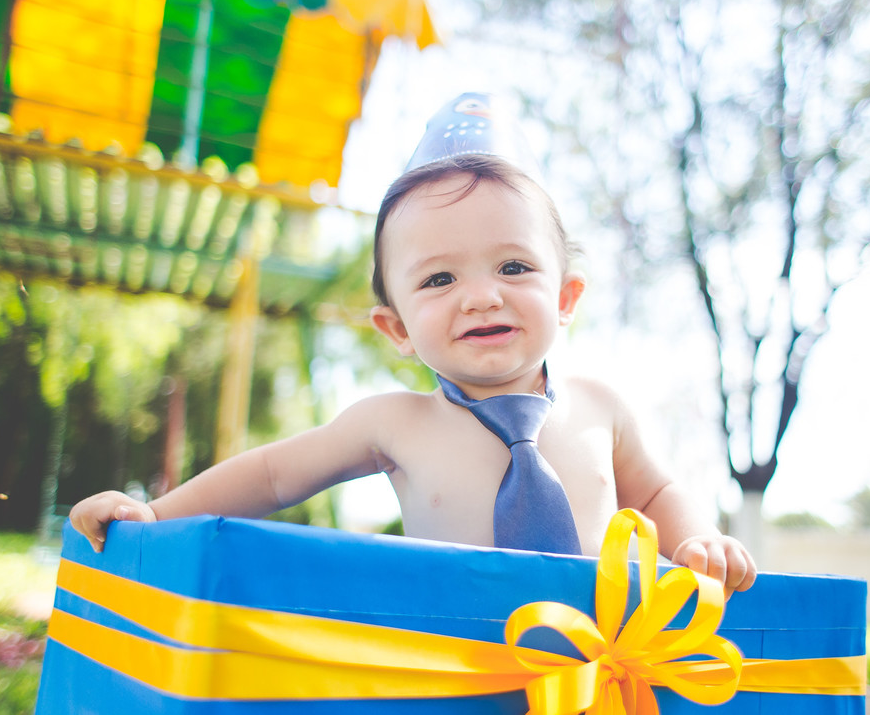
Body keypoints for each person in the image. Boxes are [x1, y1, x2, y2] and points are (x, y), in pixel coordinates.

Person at [70, 93, 757, 597]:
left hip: (607, 671)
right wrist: (157, 514)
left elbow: (659, 489)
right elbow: (273, 475)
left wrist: (698, 540)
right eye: (438, 278)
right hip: (450, 664)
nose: (482, 295)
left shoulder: (601, 407)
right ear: (396, 327)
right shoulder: (396, 421)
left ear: (567, 296)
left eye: (514, 266)